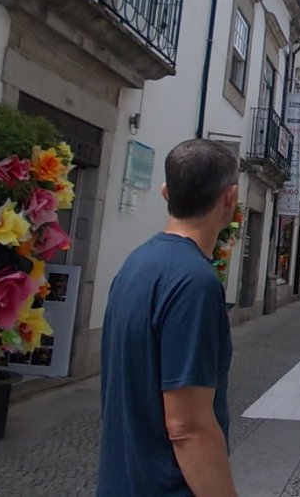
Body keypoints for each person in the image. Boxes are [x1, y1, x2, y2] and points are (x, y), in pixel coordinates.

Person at [97, 140, 239, 497]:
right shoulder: (196, 283)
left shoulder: (135, 263)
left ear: (165, 192)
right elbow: (188, 428)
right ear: (230, 198)